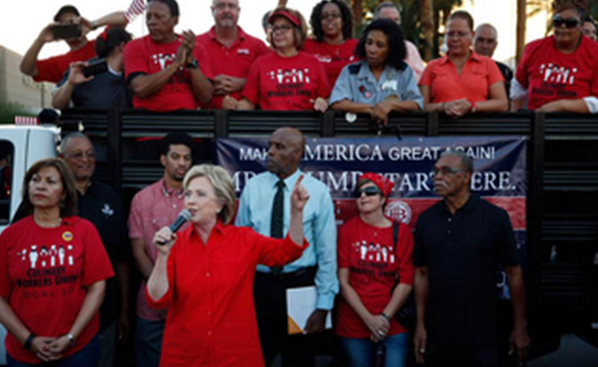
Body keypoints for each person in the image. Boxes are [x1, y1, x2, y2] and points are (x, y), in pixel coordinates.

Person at [146, 164, 310, 366]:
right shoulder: (175, 244)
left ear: (220, 204)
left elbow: (288, 251)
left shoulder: (244, 240)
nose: (191, 201)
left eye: (200, 194)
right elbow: (156, 300)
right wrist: (162, 256)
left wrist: (296, 213)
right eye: (188, 194)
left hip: (235, 355)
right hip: (186, 356)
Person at [413, 151, 530, 367]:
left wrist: (520, 326)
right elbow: (421, 273)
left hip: (482, 336)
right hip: (438, 335)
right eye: (436, 171)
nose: (438, 177)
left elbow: (514, 272)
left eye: (447, 171)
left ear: (466, 177)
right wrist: (420, 325)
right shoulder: (427, 220)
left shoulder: (494, 217)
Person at [236, 127, 338, 367]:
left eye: (279, 147)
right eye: (270, 145)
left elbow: (327, 252)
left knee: (299, 359)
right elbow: (241, 246)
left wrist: (323, 304)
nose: (270, 152)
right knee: (255, 358)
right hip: (259, 289)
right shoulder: (253, 188)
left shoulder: (318, 192)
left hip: (300, 286)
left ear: (297, 154)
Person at [0, 158, 114, 366]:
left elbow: (97, 287)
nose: (40, 186)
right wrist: (29, 340)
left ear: (63, 192)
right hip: (24, 353)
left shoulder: (83, 231)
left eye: (50, 181)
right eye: (35, 180)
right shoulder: (10, 236)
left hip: (77, 350)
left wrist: (70, 338)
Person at [59, 133, 130, 367]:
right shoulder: (48, 198)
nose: (85, 160)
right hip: (58, 318)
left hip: (104, 315)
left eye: (90, 154)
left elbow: (121, 257)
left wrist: (124, 310)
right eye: (77, 155)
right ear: (61, 158)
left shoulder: (110, 196)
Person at [128, 133, 194, 367]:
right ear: (163, 159)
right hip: (151, 307)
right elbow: (138, 252)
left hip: (191, 304)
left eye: (187, 158)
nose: (182, 163)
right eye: (176, 157)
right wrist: (162, 295)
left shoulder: (200, 200)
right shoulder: (142, 199)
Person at [336, 173, 414, 367]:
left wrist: (384, 318)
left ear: (383, 199)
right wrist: (368, 319)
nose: (363, 197)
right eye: (359, 193)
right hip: (354, 323)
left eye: (370, 192)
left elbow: (406, 281)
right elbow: (343, 282)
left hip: (393, 324)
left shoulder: (401, 232)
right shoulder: (347, 230)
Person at [223, 8, 330, 111]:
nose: (278, 32)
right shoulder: (260, 64)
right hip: (272, 125)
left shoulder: (314, 63)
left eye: (284, 27)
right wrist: (234, 105)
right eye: (275, 28)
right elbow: (249, 102)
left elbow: (327, 98)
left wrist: (322, 101)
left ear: (297, 31)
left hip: (306, 125)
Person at [124, 0, 214, 112]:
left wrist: (190, 60)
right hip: (148, 120)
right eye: (148, 17)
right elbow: (140, 88)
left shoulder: (196, 48)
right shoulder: (135, 46)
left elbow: (206, 96)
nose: (152, 22)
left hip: (186, 121)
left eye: (159, 17)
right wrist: (175, 65)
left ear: (175, 20)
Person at [330, 19, 423, 126]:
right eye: (369, 43)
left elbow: (417, 103)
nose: (372, 49)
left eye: (380, 45)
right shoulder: (351, 71)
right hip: (357, 134)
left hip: (395, 136)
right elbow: (337, 102)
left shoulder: (403, 71)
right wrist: (372, 109)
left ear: (391, 48)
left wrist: (391, 105)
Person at [512, 0, 598, 113]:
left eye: (570, 22)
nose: (563, 27)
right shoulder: (533, 49)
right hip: (537, 124)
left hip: (578, 126)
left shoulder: (594, 52)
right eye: (557, 22)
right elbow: (518, 88)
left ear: (581, 26)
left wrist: (560, 105)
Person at [419, 11, 508, 117]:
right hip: (439, 129)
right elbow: (421, 106)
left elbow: (502, 104)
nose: (455, 39)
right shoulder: (432, 66)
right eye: (451, 34)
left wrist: (472, 106)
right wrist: (443, 106)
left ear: (472, 35)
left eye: (461, 34)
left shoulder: (488, 65)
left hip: (478, 129)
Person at [20, 5, 128, 84]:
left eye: (71, 22)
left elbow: (126, 17)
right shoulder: (59, 62)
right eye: (64, 25)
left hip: (114, 105)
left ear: (80, 23)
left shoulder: (103, 42)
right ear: (59, 31)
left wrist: (93, 24)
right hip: (80, 112)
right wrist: (40, 40)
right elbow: (27, 69)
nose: (68, 27)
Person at [196, 0, 271, 109]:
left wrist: (244, 83)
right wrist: (207, 84)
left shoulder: (257, 46)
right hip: (203, 119)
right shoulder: (196, 44)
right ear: (212, 10)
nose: (226, 10)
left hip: (247, 120)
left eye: (231, 6)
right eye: (221, 6)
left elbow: (273, 80)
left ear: (238, 10)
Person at [52, 27, 133, 109]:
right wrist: (70, 83)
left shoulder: (134, 74)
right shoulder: (85, 70)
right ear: (123, 46)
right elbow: (57, 104)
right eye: (132, 47)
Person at [303, 0, 358, 87]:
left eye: (335, 15)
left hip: (350, 98)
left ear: (343, 21)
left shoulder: (358, 47)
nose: (330, 19)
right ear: (319, 22)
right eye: (324, 16)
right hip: (317, 99)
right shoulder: (306, 45)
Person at [374, 1, 425, 82]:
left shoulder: (409, 48)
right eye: (388, 20)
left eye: (396, 20)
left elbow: (422, 79)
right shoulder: (368, 49)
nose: (393, 24)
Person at [473, 23, 513, 98]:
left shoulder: (505, 72)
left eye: (490, 41)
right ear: (472, 41)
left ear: (495, 45)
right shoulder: (460, 68)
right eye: (480, 40)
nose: (485, 46)